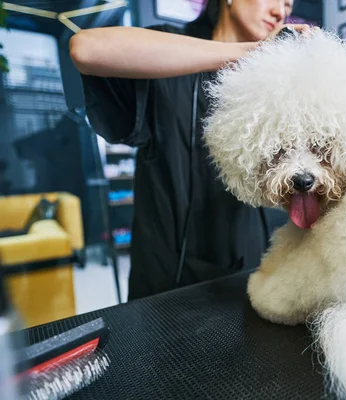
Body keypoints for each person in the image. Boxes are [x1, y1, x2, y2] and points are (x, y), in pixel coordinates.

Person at [69, 0, 314, 300]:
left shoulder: (275, 80)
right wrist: (250, 52)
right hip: (171, 282)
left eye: (288, 4)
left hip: (260, 271)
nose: (281, 11)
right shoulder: (169, 50)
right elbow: (86, 48)